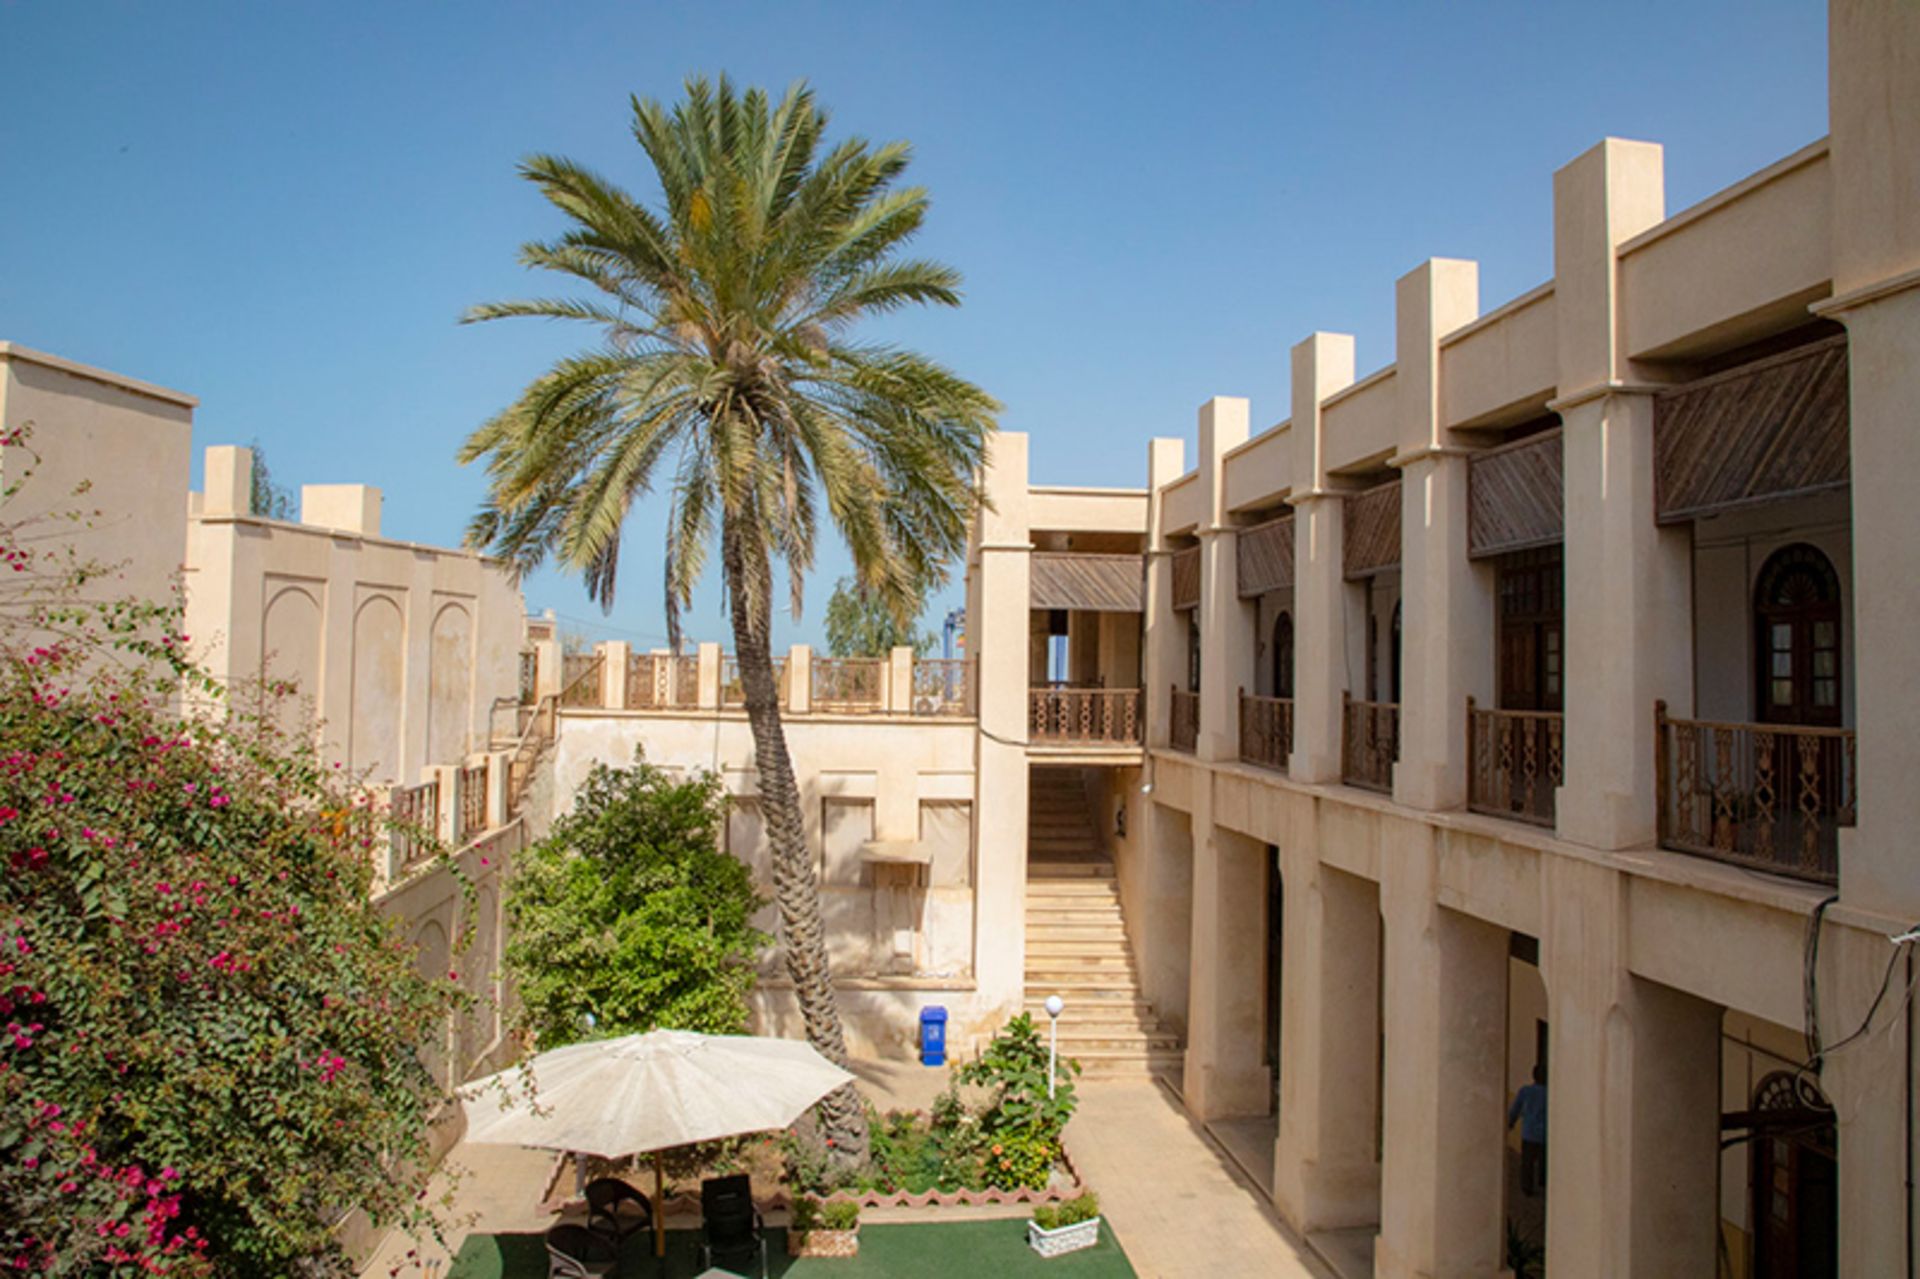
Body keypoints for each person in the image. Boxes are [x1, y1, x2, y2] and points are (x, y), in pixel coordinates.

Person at [1508, 1063, 1548, 1197]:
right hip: (1545, 1134)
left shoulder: (1526, 1091)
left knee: (1527, 1162)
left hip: (1529, 1133)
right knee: (1544, 1160)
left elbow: (1516, 1109)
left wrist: (1510, 1122)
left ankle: (1527, 1187)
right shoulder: (1550, 1093)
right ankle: (1543, 1181)